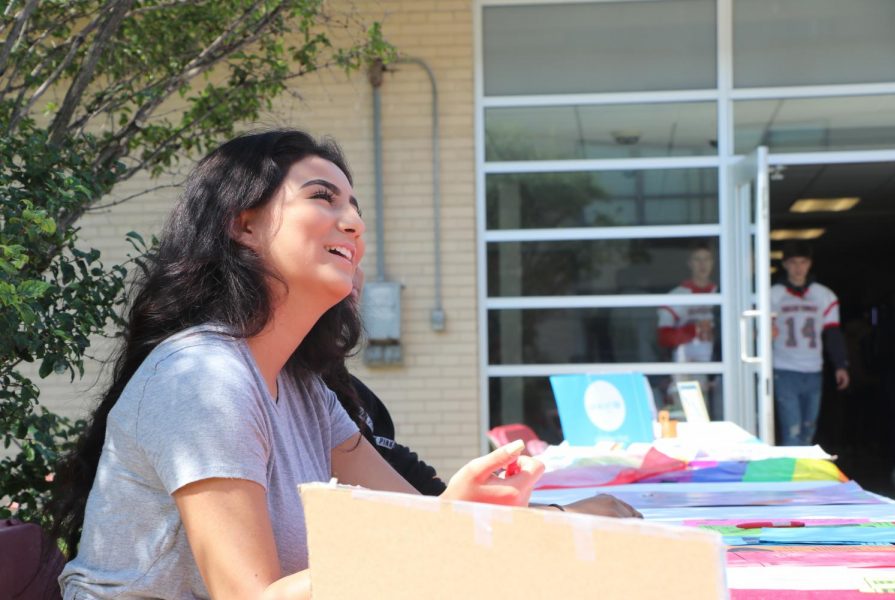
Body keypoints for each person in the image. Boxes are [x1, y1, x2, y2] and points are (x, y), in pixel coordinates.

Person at [48, 129, 545, 600]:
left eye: (354, 207)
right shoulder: (201, 377)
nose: (353, 222)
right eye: (322, 197)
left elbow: (412, 523)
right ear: (243, 225)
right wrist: (444, 527)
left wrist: (463, 518)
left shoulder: (304, 388)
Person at [323, 268, 643, 517]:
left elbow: (427, 512)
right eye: (322, 199)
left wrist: (491, 508)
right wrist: (558, 517)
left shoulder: (340, 395)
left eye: (355, 254)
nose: (351, 228)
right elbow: (421, 528)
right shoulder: (300, 396)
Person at [771, 241, 850, 446]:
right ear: (785, 264)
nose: (798, 268)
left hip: (813, 369)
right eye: (793, 263)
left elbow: (832, 332)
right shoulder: (773, 295)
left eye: (803, 262)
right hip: (784, 368)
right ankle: (794, 478)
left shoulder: (823, 295)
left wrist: (840, 365)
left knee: (808, 431)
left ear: (810, 264)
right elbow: (760, 331)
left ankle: (802, 476)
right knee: (791, 431)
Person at [657, 241, 721, 419]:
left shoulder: (721, 293)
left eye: (706, 259)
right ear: (689, 263)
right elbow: (663, 337)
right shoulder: (678, 295)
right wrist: (694, 330)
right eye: (697, 259)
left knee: (723, 421)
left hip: (719, 369)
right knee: (689, 419)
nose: (702, 265)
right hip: (687, 370)